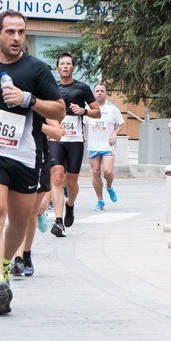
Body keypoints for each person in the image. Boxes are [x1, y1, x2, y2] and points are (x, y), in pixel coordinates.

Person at [0, 10, 65, 315]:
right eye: (10, 32)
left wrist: (28, 100)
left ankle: (6, 266)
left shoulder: (37, 70)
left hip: (27, 155)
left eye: (21, 32)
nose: (17, 37)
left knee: (19, 222)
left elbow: (58, 111)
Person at [48, 52, 99, 238]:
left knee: (72, 182)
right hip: (57, 138)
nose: (65, 66)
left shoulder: (82, 88)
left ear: (73, 67)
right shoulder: (51, 87)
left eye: (68, 63)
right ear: (57, 67)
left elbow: (97, 112)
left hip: (75, 140)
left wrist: (84, 111)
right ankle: (58, 220)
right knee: (57, 177)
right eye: (62, 63)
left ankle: (70, 205)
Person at [10, 119, 63, 276]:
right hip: (13, 159)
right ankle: (17, 259)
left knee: (31, 213)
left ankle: (26, 254)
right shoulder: (8, 99)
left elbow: (58, 133)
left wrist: (36, 124)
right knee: (19, 213)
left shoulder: (40, 102)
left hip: (37, 161)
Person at [86, 83, 124, 210]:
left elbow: (121, 123)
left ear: (106, 93)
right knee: (96, 173)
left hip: (107, 146)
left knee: (107, 172)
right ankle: (100, 201)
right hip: (93, 146)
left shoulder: (112, 109)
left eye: (102, 90)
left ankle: (109, 187)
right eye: (97, 91)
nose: (100, 93)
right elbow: (82, 123)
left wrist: (114, 133)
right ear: (94, 93)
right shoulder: (88, 109)